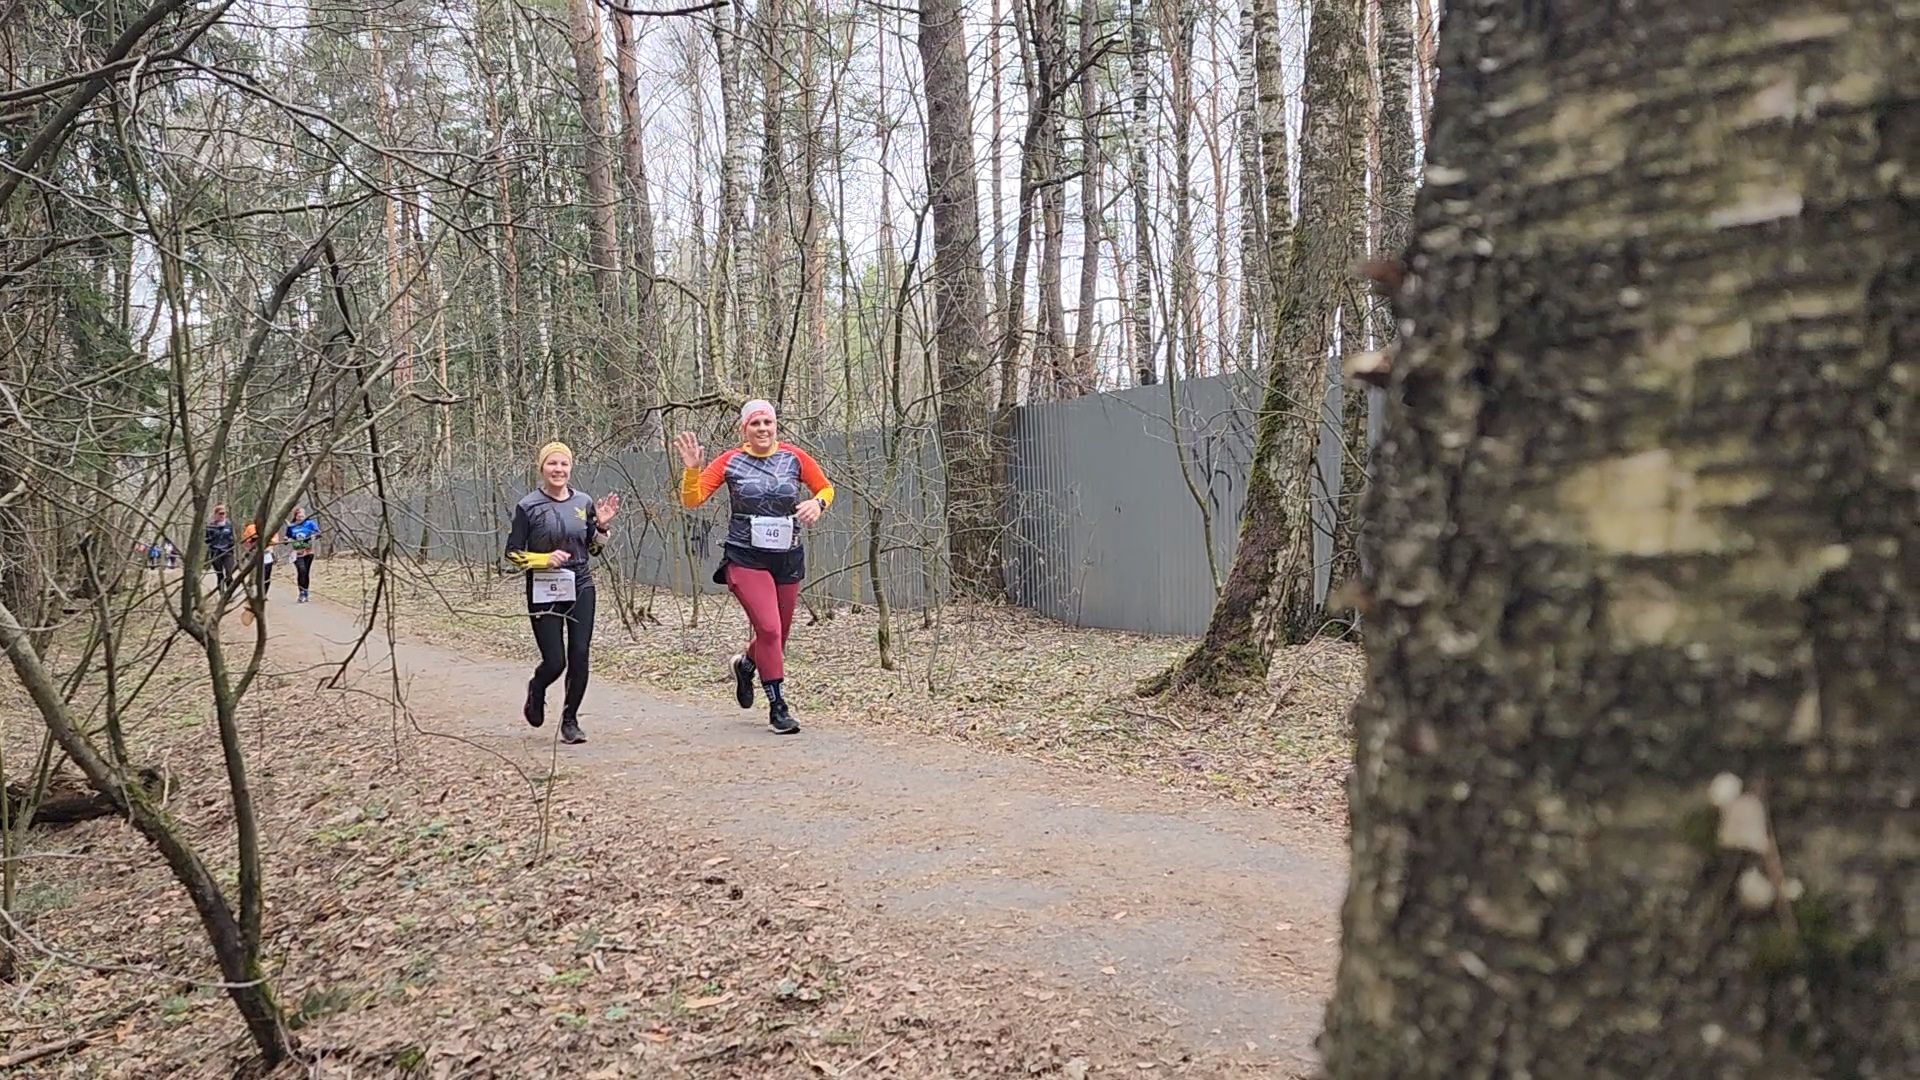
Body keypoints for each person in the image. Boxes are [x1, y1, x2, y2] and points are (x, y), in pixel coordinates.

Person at [675, 399, 833, 736]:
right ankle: (778, 707)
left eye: (768, 422)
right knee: (770, 630)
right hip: (746, 558)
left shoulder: (794, 456)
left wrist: (817, 504)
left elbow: (826, 488)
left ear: (776, 426)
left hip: (787, 557)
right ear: (743, 429)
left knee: (777, 636)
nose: (762, 428)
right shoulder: (730, 461)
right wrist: (691, 470)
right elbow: (692, 500)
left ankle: (746, 665)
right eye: (755, 423)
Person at [504, 441, 620, 745]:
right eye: (552, 464)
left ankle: (570, 720)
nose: (558, 470)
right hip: (544, 587)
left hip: (580, 583)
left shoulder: (583, 502)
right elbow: (513, 553)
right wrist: (543, 560)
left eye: (563, 464)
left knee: (580, 654)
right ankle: (537, 688)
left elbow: (593, 549)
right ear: (541, 468)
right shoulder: (528, 506)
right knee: (555, 661)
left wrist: (603, 529)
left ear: (571, 468)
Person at [285, 507, 319, 602]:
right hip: (297, 552)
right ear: (295, 516)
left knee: (306, 572)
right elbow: (287, 537)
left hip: (308, 551)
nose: (301, 518)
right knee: (301, 570)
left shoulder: (310, 524)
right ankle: (301, 593)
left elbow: (318, 533)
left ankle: (306, 592)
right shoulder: (291, 526)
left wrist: (314, 535)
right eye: (299, 516)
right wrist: (287, 539)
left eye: (303, 516)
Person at [205, 505, 235, 590]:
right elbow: (206, 540)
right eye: (220, 514)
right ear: (215, 515)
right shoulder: (210, 526)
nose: (222, 516)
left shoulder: (229, 525)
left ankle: (229, 593)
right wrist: (212, 538)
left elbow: (234, 538)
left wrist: (231, 543)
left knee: (229, 573)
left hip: (228, 552)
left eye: (224, 513)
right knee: (220, 575)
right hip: (215, 553)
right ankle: (222, 594)